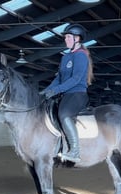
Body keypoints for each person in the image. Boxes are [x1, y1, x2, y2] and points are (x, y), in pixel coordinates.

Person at [39, 23, 94, 163]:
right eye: (65, 37)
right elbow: (59, 78)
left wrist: (56, 90)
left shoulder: (81, 56)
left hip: (77, 94)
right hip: (65, 94)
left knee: (64, 115)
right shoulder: (65, 57)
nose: (66, 40)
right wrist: (45, 91)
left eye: (68, 37)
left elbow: (76, 79)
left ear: (77, 39)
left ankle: (75, 151)